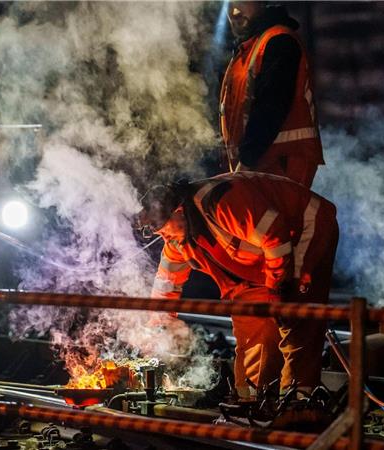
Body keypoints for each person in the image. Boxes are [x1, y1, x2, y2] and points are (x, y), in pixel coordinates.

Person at [139, 172, 338, 399]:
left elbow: (276, 237)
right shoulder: (178, 238)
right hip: (262, 264)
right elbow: (166, 283)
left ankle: (300, 403)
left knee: (294, 315)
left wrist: (276, 291)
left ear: (179, 211)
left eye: (162, 228)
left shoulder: (221, 202)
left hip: (303, 229)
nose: (162, 236)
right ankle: (252, 403)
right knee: (251, 330)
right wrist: (157, 325)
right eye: (155, 231)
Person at [220, 1, 323, 187]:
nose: (233, 11)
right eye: (228, 3)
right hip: (258, 169)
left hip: (278, 168)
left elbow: (271, 107)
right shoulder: (250, 48)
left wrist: (246, 164)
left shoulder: (278, 42)